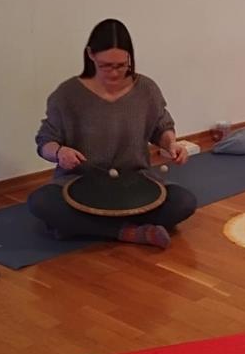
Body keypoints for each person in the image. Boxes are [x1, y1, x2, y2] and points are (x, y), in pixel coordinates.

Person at [27, 19, 196, 248]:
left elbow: (161, 127)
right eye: (106, 65)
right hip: (80, 183)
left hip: (135, 183)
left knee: (184, 202)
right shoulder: (68, 94)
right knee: (41, 202)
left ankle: (84, 227)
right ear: (90, 55)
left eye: (121, 65)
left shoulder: (146, 89)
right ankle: (127, 232)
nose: (115, 72)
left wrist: (171, 144)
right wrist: (59, 152)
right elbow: (45, 141)